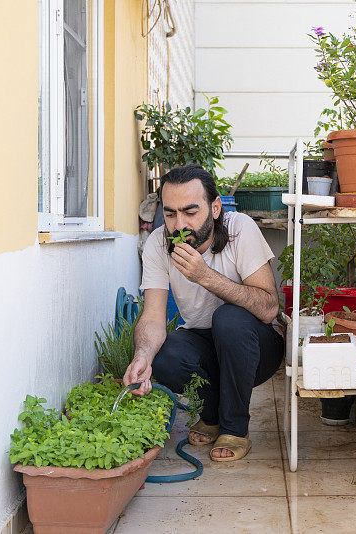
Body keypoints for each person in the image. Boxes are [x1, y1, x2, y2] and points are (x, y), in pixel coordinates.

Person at [123, 164, 283, 462]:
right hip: (205, 342)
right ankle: (212, 417)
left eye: (190, 212)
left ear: (216, 208)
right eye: (170, 214)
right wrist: (141, 356)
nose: (179, 225)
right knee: (164, 352)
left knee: (229, 318)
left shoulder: (239, 228)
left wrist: (205, 276)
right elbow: (153, 316)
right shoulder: (160, 243)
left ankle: (235, 427)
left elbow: (269, 306)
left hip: (256, 347)